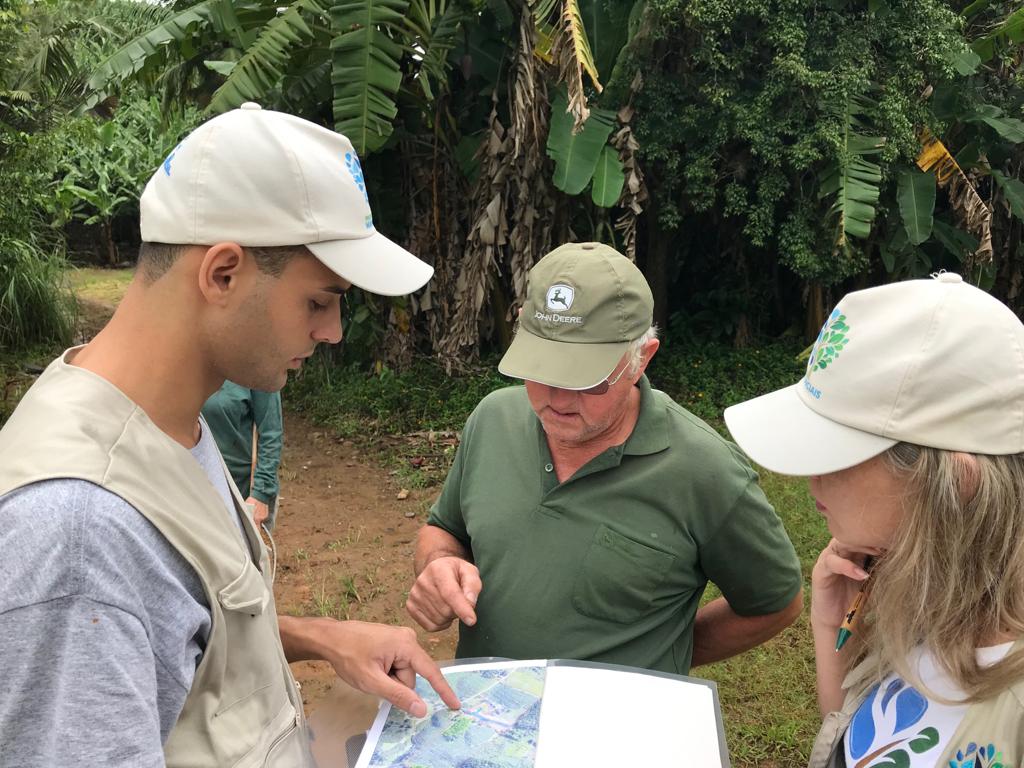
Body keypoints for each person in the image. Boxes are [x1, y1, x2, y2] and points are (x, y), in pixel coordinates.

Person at [0, 103, 458, 768]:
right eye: (318, 300)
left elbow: (179, 629)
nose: (331, 332)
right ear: (222, 274)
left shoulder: (165, 418)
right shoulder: (78, 530)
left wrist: (319, 636)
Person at [406, 241, 804, 674]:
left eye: (587, 378)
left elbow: (775, 604)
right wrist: (440, 563)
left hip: (616, 730)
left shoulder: (705, 472)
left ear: (641, 359)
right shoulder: (492, 419)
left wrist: (665, 656)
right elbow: (444, 529)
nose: (557, 397)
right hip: (488, 714)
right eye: (540, 367)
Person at [723, 272, 1024, 766]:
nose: (809, 478)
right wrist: (831, 628)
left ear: (956, 485)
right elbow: (862, 747)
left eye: (836, 455)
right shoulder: (926, 599)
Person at [202, 382, 283, 529]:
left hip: (242, 492)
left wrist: (260, 494)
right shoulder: (186, 366)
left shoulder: (258, 368)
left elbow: (271, 434)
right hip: (197, 489)